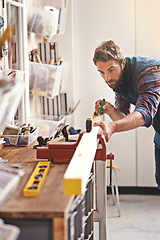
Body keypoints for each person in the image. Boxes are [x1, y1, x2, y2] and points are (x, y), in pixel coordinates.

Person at [93, 40, 160, 188]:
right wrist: (110, 109)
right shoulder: (117, 80)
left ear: (122, 63)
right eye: (102, 72)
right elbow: (125, 118)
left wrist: (112, 126)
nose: (107, 78)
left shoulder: (147, 72)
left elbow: (144, 113)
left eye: (111, 70)